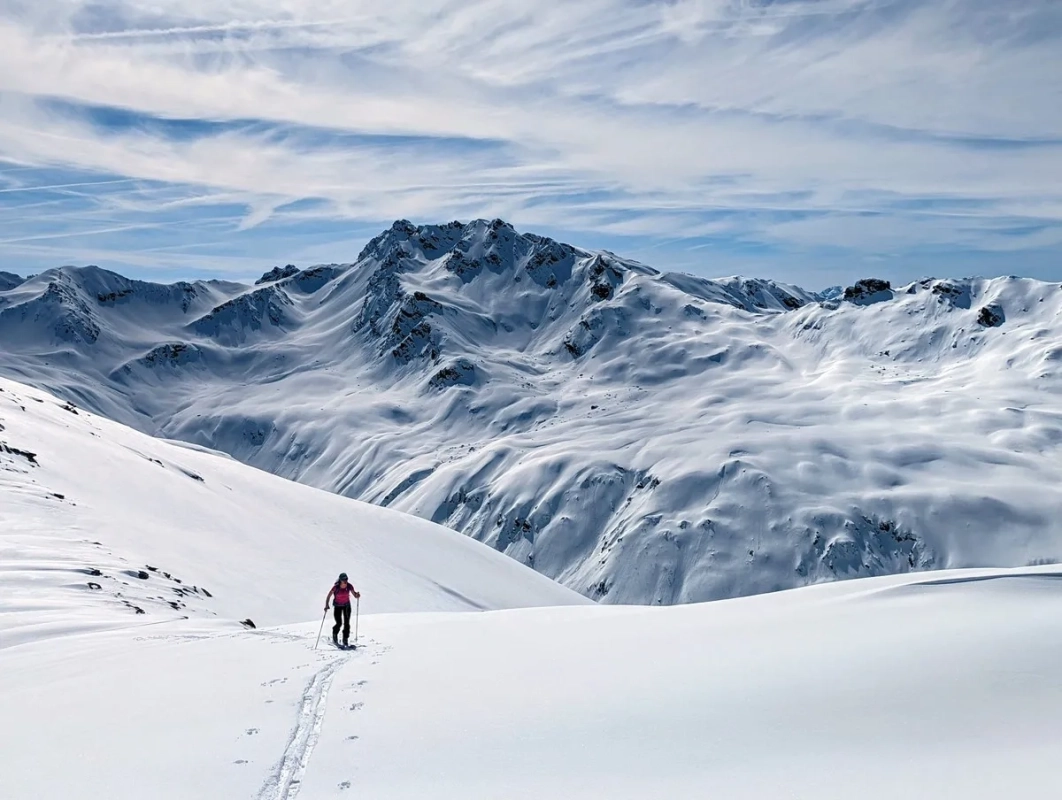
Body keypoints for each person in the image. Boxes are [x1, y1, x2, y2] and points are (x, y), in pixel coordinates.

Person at [324, 572, 360, 647]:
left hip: (347, 605)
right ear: (340, 580)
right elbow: (329, 596)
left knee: (347, 623)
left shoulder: (349, 586)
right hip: (337, 606)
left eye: (346, 579)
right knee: (339, 623)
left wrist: (357, 595)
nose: (345, 581)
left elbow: (354, 595)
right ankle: (335, 635)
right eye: (344, 579)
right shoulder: (336, 587)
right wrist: (327, 605)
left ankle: (345, 639)